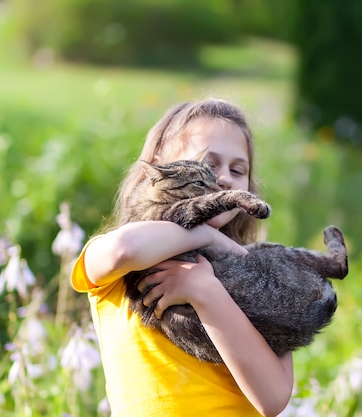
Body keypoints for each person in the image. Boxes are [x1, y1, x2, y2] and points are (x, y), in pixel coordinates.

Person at [70, 98, 294, 417]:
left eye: (238, 169)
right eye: (209, 163)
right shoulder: (112, 261)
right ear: (158, 171)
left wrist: (204, 291)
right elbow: (126, 250)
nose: (224, 179)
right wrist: (204, 233)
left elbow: (272, 398)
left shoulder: (257, 274)